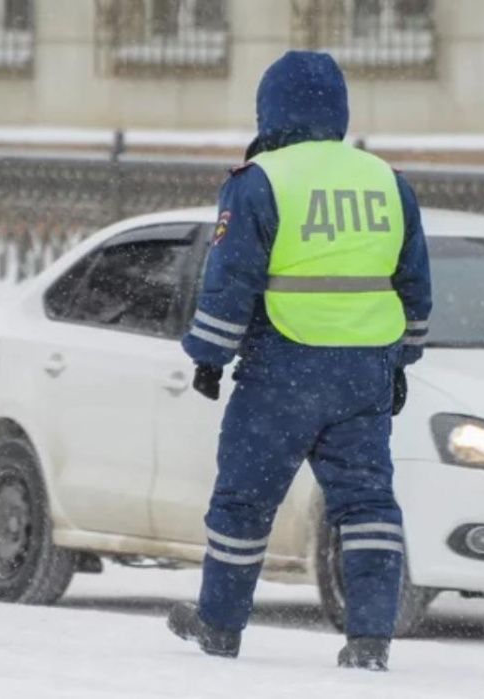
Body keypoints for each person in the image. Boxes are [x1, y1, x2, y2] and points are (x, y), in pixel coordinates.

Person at [164, 51, 432, 671]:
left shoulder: (260, 180)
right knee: (366, 506)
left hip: (282, 368)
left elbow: (231, 280)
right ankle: (370, 638)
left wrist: (208, 354)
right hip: (363, 372)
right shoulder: (387, 182)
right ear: (338, 111)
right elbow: (414, 286)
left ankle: (220, 625)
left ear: (270, 110)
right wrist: (401, 360)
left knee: (244, 501)